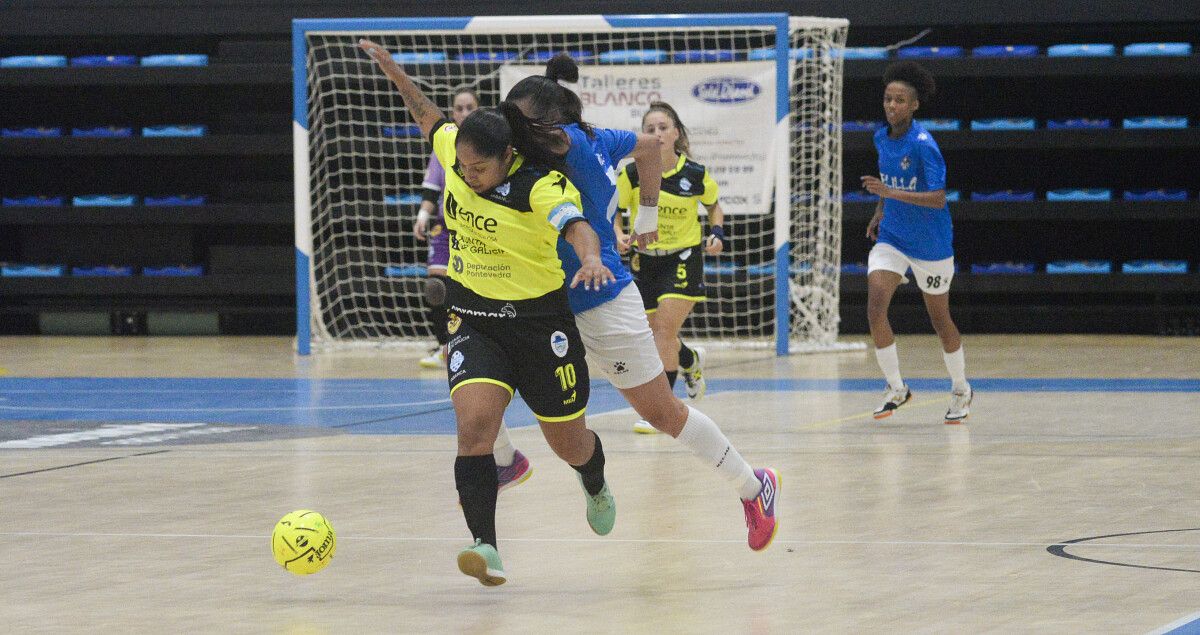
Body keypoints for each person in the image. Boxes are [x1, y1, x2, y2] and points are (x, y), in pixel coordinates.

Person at [362, 39, 619, 586]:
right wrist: (393, 69)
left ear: (507, 157)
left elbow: (577, 226)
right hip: (476, 317)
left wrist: (592, 257)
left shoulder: (540, 183)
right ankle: (486, 546)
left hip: (539, 323)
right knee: (474, 428)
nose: (468, 173)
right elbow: (425, 111)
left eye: (479, 168)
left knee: (569, 443)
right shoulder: (459, 147)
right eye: (461, 166)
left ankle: (593, 479)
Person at [505, 55, 779, 552]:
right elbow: (650, 148)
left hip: (602, 297)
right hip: (543, 300)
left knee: (662, 413)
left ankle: (753, 486)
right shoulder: (583, 136)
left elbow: (653, 147)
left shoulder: (576, 151)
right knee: (494, 377)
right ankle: (504, 461)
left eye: (519, 124)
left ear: (549, 125)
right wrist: (647, 213)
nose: (511, 132)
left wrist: (649, 215)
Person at [859, 60, 973, 424]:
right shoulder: (881, 136)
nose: (892, 106)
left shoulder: (924, 145)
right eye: (888, 99)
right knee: (875, 306)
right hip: (893, 237)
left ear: (914, 105)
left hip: (931, 245)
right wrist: (881, 208)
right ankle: (896, 388)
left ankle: (961, 389)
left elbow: (938, 197)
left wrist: (890, 192)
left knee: (940, 320)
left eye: (900, 100)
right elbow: (887, 180)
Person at [614, 102, 723, 425]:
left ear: (676, 133)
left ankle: (661, 410)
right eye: (650, 129)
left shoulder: (694, 174)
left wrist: (716, 232)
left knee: (662, 330)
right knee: (655, 335)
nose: (657, 134)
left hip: (684, 257)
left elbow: (714, 206)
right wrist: (618, 233)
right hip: (643, 261)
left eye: (663, 127)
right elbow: (615, 215)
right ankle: (689, 360)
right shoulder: (631, 174)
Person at [415, 89, 479, 369]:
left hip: (475, 226)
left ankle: (470, 342)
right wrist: (421, 216)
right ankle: (444, 346)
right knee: (436, 287)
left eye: (469, 108)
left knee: (469, 287)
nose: (464, 113)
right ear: (452, 113)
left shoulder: (487, 142)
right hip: (444, 225)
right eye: (459, 108)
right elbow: (432, 189)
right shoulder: (443, 144)